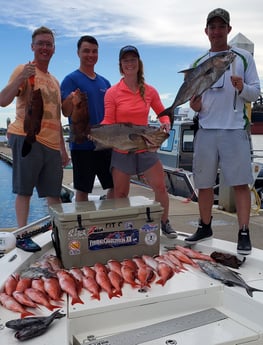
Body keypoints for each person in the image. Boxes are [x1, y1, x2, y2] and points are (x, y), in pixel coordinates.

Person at [185, 8, 261, 255]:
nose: (217, 31)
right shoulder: (198, 63)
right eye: (212, 27)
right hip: (206, 129)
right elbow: (192, 99)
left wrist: (242, 88)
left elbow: (255, 91)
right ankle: (205, 226)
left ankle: (243, 232)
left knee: (240, 183)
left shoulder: (242, 57)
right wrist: (194, 106)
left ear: (228, 29)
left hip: (235, 129)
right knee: (204, 183)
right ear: (206, 31)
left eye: (221, 26)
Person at [101, 45, 177, 238]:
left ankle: (164, 222)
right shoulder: (112, 92)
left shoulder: (150, 91)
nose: (129, 63)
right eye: (125, 60)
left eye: (133, 59)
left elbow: (163, 113)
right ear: (121, 65)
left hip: (145, 146)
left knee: (160, 187)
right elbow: (108, 121)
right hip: (123, 148)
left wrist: (166, 124)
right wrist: (95, 132)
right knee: (120, 193)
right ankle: (123, 226)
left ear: (139, 63)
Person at [0, 26, 69, 228]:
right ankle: (21, 233)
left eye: (49, 44)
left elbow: (57, 118)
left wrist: (62, 149)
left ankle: (58, 231)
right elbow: (3, 101)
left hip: (52, 145)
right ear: (32, 46)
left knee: (54, 193)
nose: (44, 47)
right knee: (24, 191)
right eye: (40, 43)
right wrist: (22, 77)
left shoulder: (55, 81)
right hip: (26, 136)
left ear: (54, 49)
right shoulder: (24, 70)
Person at [61, 35, 114, 202]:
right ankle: (82, 227)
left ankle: (108, 223)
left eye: (94, 51)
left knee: (114, 186)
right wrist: (70, 100)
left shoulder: (105, 83)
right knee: (82, 191)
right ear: (78, 53)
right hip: (82, 145)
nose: (90, 55)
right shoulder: (71, 80)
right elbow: (65, 111)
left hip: (105, 143)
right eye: (86, 51)